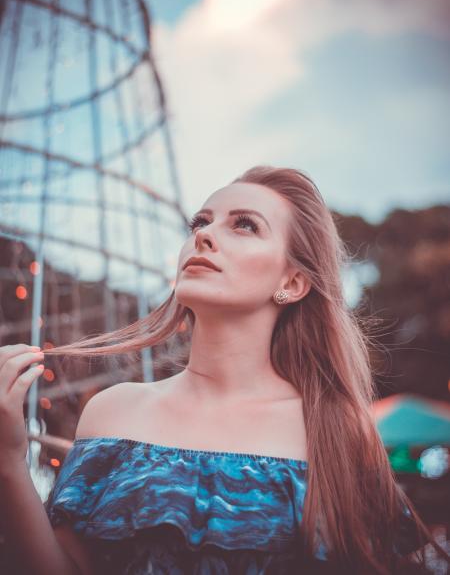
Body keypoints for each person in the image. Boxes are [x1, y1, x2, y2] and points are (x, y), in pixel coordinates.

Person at [0, 166, 448, 574]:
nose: (205, 236)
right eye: (201, 221)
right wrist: (8, 462)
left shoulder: (335, 428)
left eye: (245, 225)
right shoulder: (113, 411)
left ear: (291, 283)